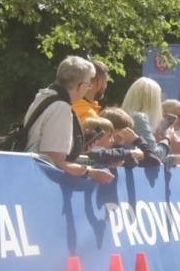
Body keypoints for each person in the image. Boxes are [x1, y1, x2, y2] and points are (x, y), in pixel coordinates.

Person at [23, 56, 114, 184]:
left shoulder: (45, 95)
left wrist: (78, 148)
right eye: (88, 85)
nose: (87, 89)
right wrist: (90, 172)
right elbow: (54, 162)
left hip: (30, 171)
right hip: (39, 181)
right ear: (80, 86)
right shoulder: (62, 108)